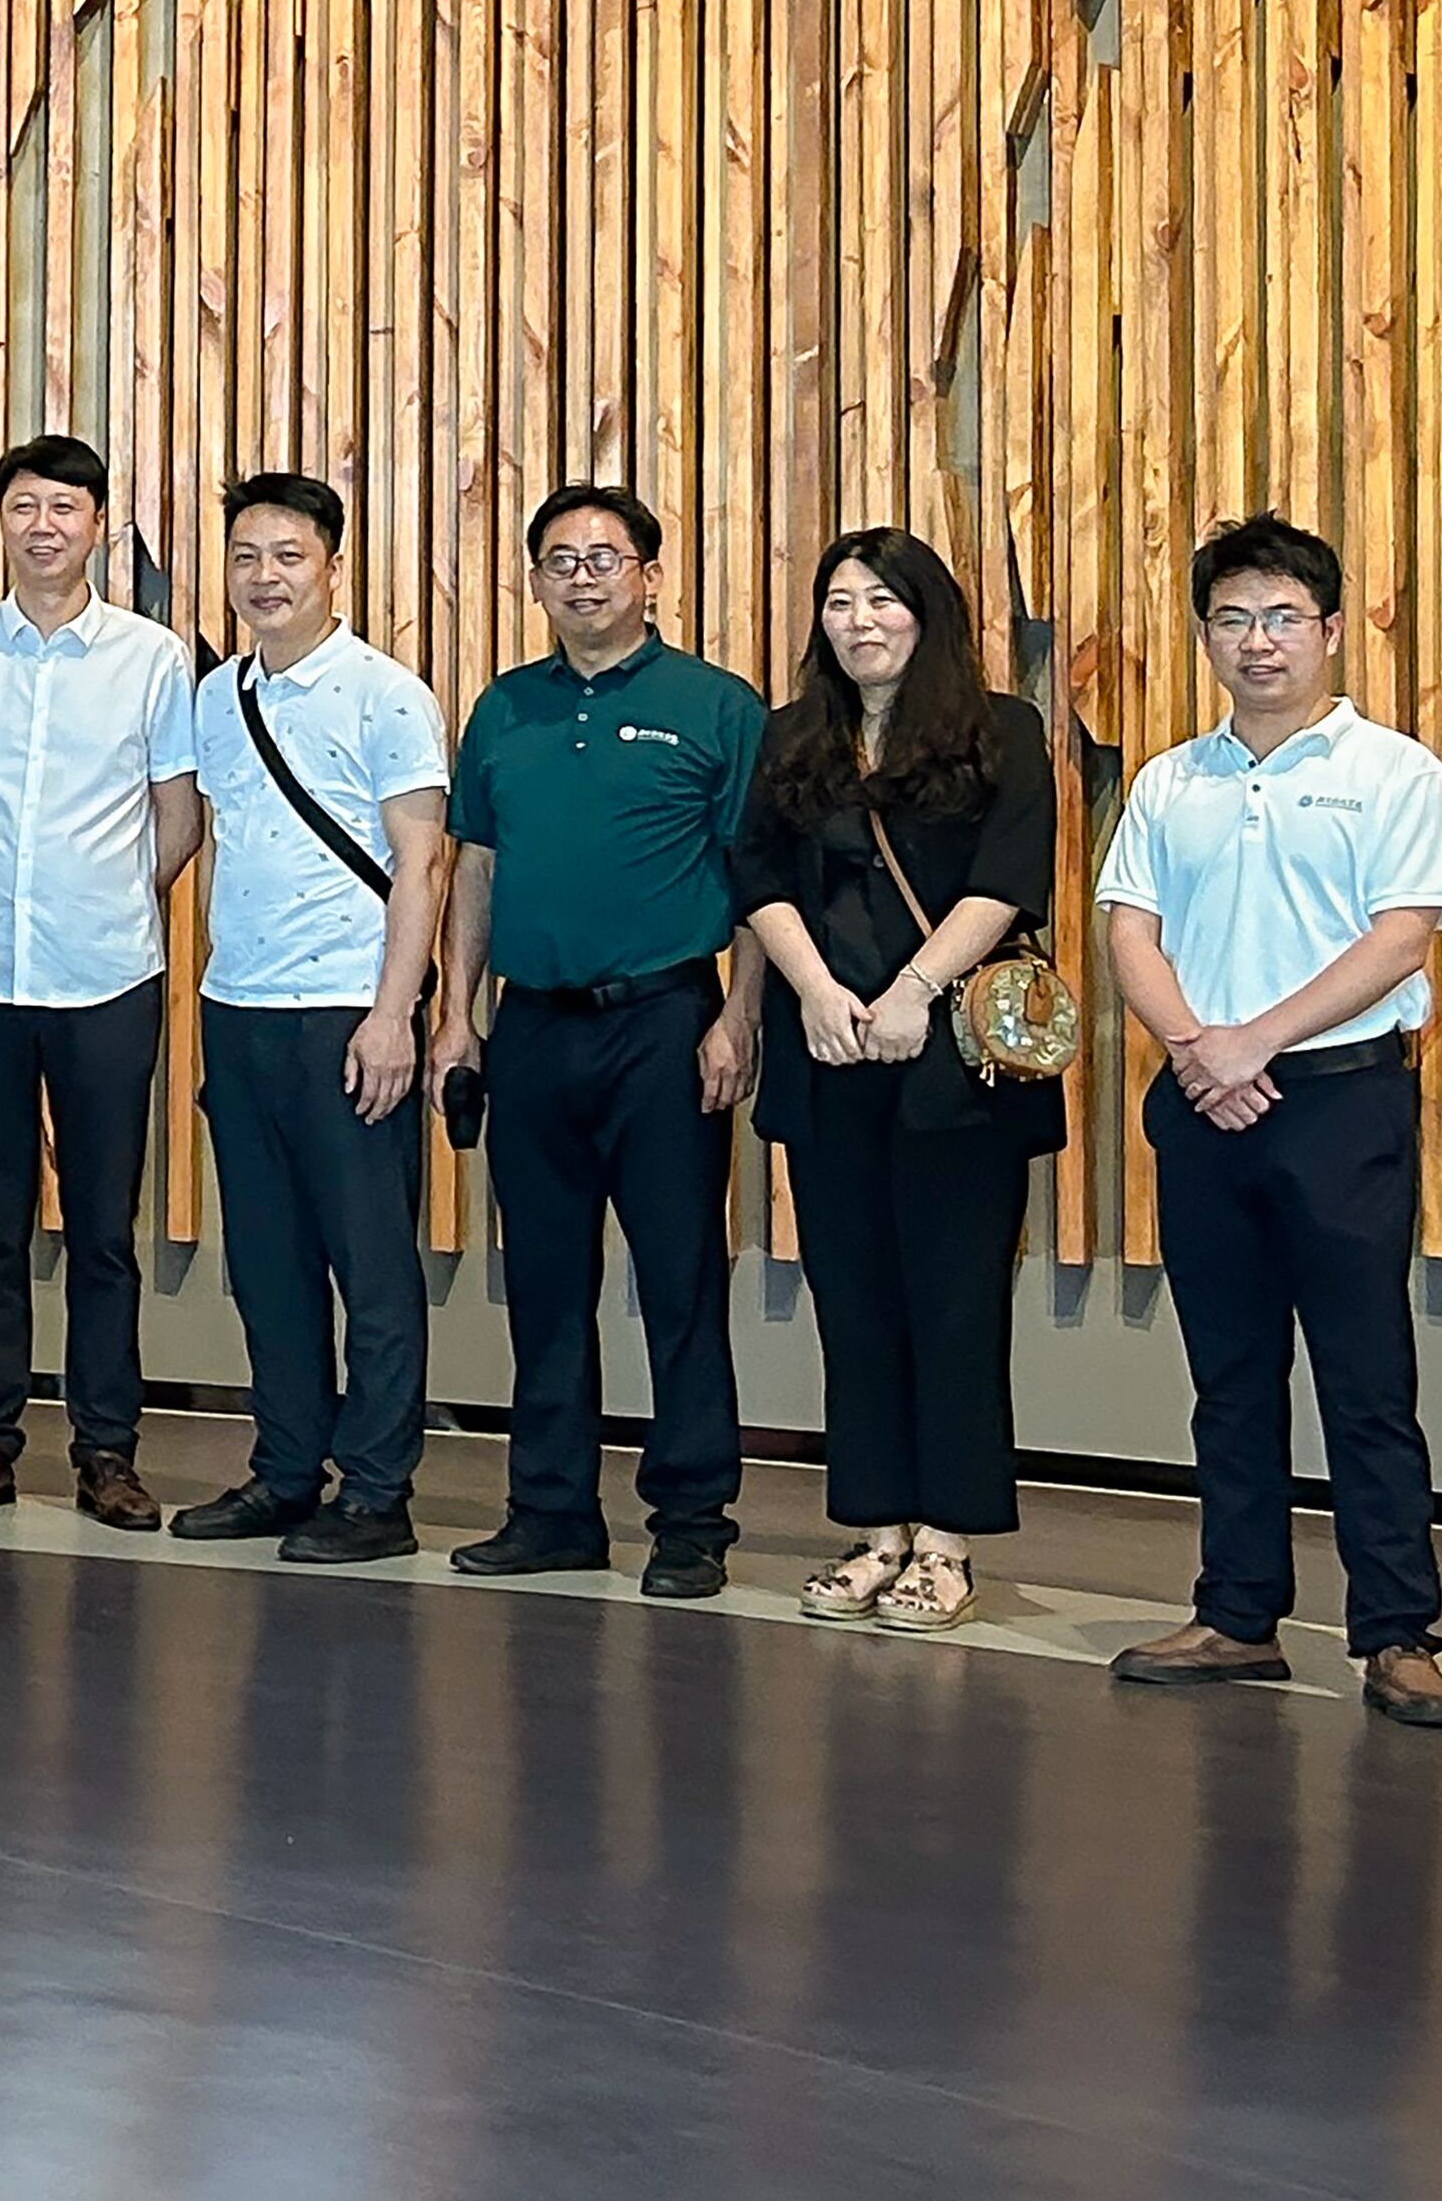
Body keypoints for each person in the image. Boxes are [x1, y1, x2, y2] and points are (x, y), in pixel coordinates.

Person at [1094, 513, 1442, 1731]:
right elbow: (1126, 927)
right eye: (1231, 619)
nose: (1256, 640)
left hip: (1338, 1100)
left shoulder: (1394, 771)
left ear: (1328, 628)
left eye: (1280, 617)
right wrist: (1195, 1048)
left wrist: (1251, 1039)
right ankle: (1235, 1611)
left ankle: (1396, 1631)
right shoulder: (1169, 780)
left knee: (1365, 1376)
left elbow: (1400, 936)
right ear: (1204, 634)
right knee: (1227, 1375)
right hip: (1202, 1100)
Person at [435, 480, 771, 1598]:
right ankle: (549, 1509)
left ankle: (691, 1519)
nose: (582, 578)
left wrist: (737, 1014)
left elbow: (756, 879)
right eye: (560, 561)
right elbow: (475, 867)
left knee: (681, 1281)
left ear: (649, 575)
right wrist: (456, 1017)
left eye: (604, 557)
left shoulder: (715, 706)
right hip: (530, 1026)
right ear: (534, 581)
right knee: (542, 1283)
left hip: (665, 1025)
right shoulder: (504, 707)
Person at [732, 524, 1064, 1635]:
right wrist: (816, 993)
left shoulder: (999, 730)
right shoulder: (792, 734)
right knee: (853, 1297)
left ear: (927, 614)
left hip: (953, 1062)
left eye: (881, 599)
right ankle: (876, 1527)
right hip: (829, 1052)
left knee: (955, 1301)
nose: (858, 620)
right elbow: (757, 874)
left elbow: (1007, 878)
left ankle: (948, 1540)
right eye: (838, 601)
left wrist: (916, 989)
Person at [142, 472, 452, 1565]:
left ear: (332, 566)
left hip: (347, 1014)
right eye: (245, 557)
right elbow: (201, 835)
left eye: (288, 555)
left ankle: (375, 1490)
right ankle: (284, 1469)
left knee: (372, 1269)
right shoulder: (214, 697)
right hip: (239, 1011)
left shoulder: (384, 694)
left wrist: (393, 1014)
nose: (264, 577)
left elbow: (422, 863)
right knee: (267, 1265)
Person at [0, 436, 197, 1528]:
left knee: (105, 1227)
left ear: (98, 524)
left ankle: (107, 1448)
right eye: (23, 506)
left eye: (65, 507)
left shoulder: (151, 657)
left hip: (107, 974)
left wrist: (105, 898)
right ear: (1, 522)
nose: (43, 526)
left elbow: (175, 817)